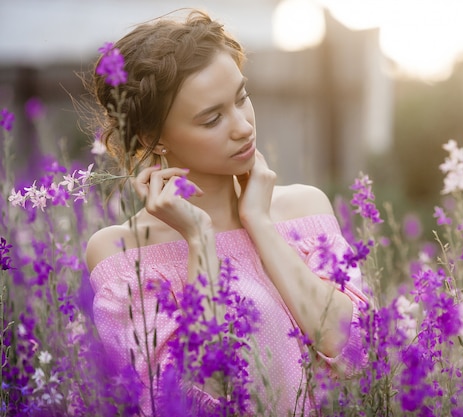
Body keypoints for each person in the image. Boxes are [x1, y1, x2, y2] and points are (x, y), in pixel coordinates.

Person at [85, 9, 368, 416]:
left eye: (241, 98)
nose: (243, 127)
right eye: (213, 118)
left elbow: (351, 348)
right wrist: (199, 239)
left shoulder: (305, 208)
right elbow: (193, 396)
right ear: (153, 138)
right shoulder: (122, 254)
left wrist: (261, 224)